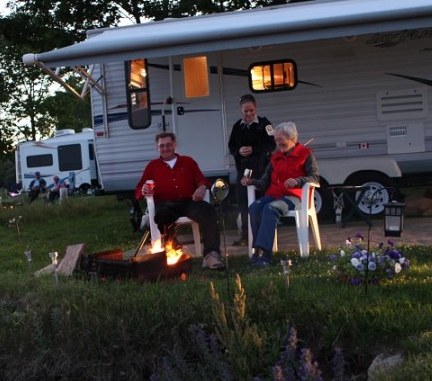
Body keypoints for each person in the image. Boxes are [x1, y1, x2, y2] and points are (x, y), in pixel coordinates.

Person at [136, 132, 225, 270]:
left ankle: (211, 255)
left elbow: (202, 180)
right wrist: (143, 191)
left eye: (168, 145)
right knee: (161, 215)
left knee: (208, 210)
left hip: (189, 201)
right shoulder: (152, 166)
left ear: (175, 145)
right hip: (166, 204)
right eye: (162, 146)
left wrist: (201, 187)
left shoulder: (188, 161)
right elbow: (139, 188)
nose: (165, 149)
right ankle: (172, 247)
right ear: (157, 148)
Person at [241, 122, 319, 269]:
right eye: (276, 140)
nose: (278, 144)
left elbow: (315, 177)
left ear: (292, 138)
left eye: (281, 140)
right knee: (254, 208)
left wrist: (298, 181)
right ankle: (256, 251)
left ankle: (266, 255)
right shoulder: (276, 157)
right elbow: (265, 181)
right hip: (275, 195)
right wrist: (251, 181)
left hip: (294, 197)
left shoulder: (305, 153)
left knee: (270, 209)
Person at [227, 94, 275, 246]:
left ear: (256, 108)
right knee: (243, 201)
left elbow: (271, 144)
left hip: (261, 168)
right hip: (244, 169)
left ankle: (262, 233)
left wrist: (253, 149)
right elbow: (231, 146)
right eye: (245, 111)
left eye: (251, 111)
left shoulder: (264, 124)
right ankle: (246, 235)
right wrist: (239, 151)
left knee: (261, 200)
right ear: (241, 110)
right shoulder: (237, 126)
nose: (248, 114)